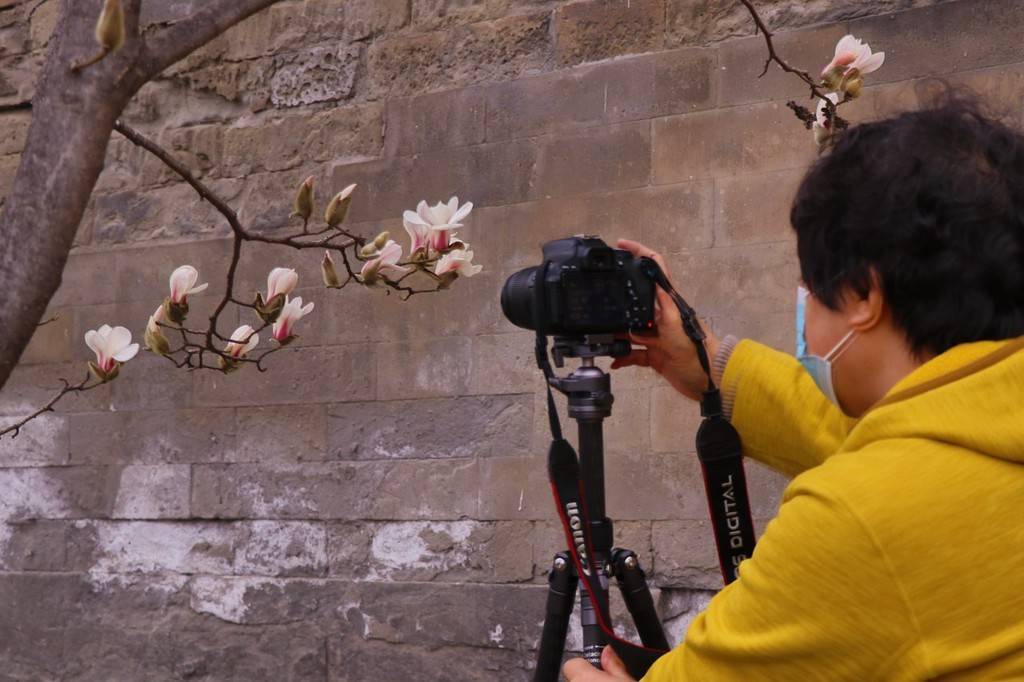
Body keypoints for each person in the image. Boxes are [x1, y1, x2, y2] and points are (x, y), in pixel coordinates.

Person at [563, 98, 1024, 680]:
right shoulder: (978, 435)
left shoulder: (858, 517)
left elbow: (880, 478)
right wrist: (711, 364)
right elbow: (863, 435)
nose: (804, 311)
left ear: (861, 296)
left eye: (808, 286)